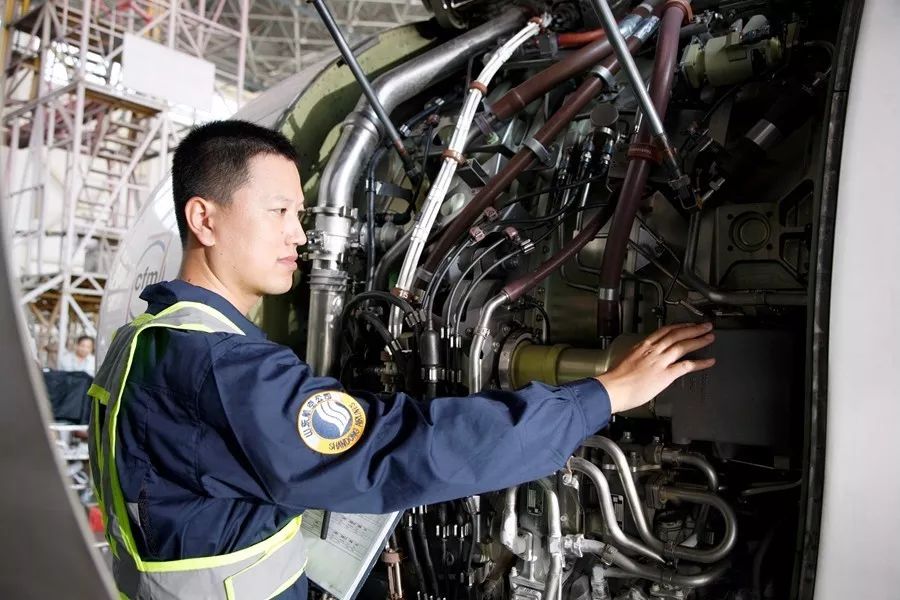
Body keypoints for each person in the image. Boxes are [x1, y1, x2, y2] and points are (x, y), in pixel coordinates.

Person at [88, 120, 715, 600]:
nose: (299, 236)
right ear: (205, 218)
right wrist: (602, 395)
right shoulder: (224, 368)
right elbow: (402, 448)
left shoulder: (144, 338)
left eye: (301, 215)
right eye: (279, 211)